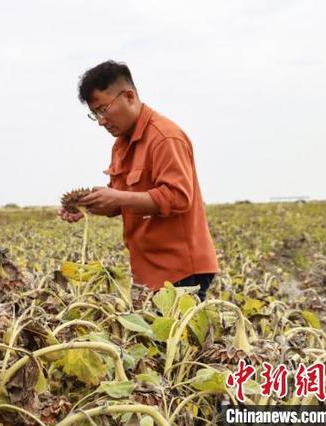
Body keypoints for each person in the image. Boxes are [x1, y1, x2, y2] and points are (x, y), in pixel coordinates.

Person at [59, 60, 219, 300]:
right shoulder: (121, 145)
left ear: (129, 97)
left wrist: (116, 196)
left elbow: (178, 197)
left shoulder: (165, 137)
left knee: (178, 337)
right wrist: (88, 207)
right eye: (95, 114)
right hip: (148, 270)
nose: (101, 120)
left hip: (180, 270)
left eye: (103, 109)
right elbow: (125, 200)